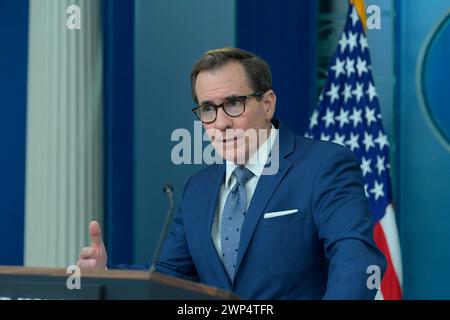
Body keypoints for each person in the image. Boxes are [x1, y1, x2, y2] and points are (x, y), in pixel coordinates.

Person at [77, 47, 386, 299]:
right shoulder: (198, 189)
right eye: (208, 109)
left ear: (267, 104)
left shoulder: (325, 165)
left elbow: (355, 260)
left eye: (234, 103)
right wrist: (107, 275)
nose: (221, 122)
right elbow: (170, 276)